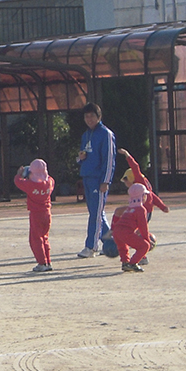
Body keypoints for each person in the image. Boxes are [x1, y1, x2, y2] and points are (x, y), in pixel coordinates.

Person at [76, 102, 116, 258]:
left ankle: (91, 247)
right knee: (97, 212)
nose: (89, 119)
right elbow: (83, 156)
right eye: (86, 116)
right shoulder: (85, 135)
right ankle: (112, 240)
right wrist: (80, 158)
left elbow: (110, 159)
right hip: (87, 177)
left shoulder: (106, 134)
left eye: (92, 116)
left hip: (98, 179)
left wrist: (106, 181)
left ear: (98, 117)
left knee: (96, 214)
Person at [117, 148, 169, 265]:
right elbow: (153, 196)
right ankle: (141, 254)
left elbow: (135, 167)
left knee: (138, 234)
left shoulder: (139, 181)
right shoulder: (144, 186)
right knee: (138, 233)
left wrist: (127, 154)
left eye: (126, 181)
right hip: (144, 212)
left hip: (142, 212)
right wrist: (162, 206)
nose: (126, 185)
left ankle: (142, 256)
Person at [14, 159, 55, 272]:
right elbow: (50, 178)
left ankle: (41, 262)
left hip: (36, 214)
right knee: (45, 238)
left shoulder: (29, 185)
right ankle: (48, 261)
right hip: (47, 213)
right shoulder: (49, 183)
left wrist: (19, 174)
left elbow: (18, 182)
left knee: (36, 239)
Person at [109, 183, 152, 272]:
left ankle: (125, 262)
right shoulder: (141, 209)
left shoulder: (129, 208)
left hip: (117, 231)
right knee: (144, 246)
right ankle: (132, 264)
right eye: (145, 195)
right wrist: (147, 240)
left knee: (123, 248)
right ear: (142, 196)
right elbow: (143, 227)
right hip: (125, 232)